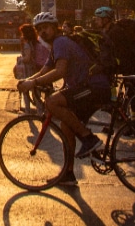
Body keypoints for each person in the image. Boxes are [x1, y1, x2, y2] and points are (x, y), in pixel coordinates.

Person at [16, 11, 113, 185]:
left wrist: (33, 83)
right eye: (40, 30)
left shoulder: (61, 42)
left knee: (52, 101)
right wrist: (28, 81)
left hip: (94, 87)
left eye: (46, 27)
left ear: (55, 27)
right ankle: (68, 174)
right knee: (66, 127)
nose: (43, 32)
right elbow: (45, 70)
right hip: (85, 88)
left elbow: (59, 71)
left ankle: (88, 138)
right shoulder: (56, 46)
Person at [17, 23, 50, 113]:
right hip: (34, 68)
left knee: (26, 90)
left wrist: (20, 59)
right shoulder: (34, 42)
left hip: (27, 69)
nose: (21, 35)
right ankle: (39, 111)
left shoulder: (27, 44)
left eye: (22, 33)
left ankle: (28, 111)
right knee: (35, 92)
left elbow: (27, 58)